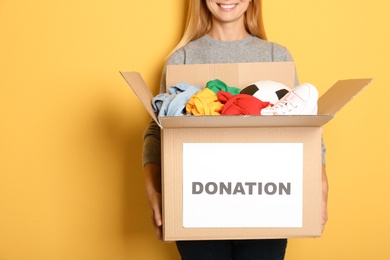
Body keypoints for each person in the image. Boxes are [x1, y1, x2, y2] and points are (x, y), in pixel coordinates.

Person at [142, 0, 329, 259]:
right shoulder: (182, 59)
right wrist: (154, 194)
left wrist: (320, 189)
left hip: (267, 201)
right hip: (198, 203)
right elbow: (158, 129)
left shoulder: (277, 56)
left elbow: (305, 128)